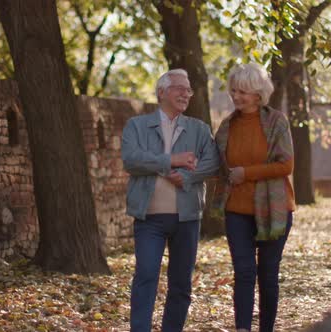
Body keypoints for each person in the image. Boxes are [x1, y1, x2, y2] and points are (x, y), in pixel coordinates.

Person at [121, 69, 220, 331]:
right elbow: (131, 160)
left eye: (188, 90)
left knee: (181, 284)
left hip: (187, 218)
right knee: (146, 276)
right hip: (149, 218)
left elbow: (212, 163)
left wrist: (188, 178)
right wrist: (171, 161)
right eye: (179, 87)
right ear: (161, 91)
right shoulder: (137, 126)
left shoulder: (199, 129)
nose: (186, 93)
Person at [214, 63, 295, 332]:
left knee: (268, 275)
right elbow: (217, 165)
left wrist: (246, 173)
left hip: (275, 208)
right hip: (237, 210)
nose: (236, 97)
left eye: (243, 92)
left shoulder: (277, 122)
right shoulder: (227, 126)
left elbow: (286, 166)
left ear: (259, 93)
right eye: (233, 91)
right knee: (244, 273)